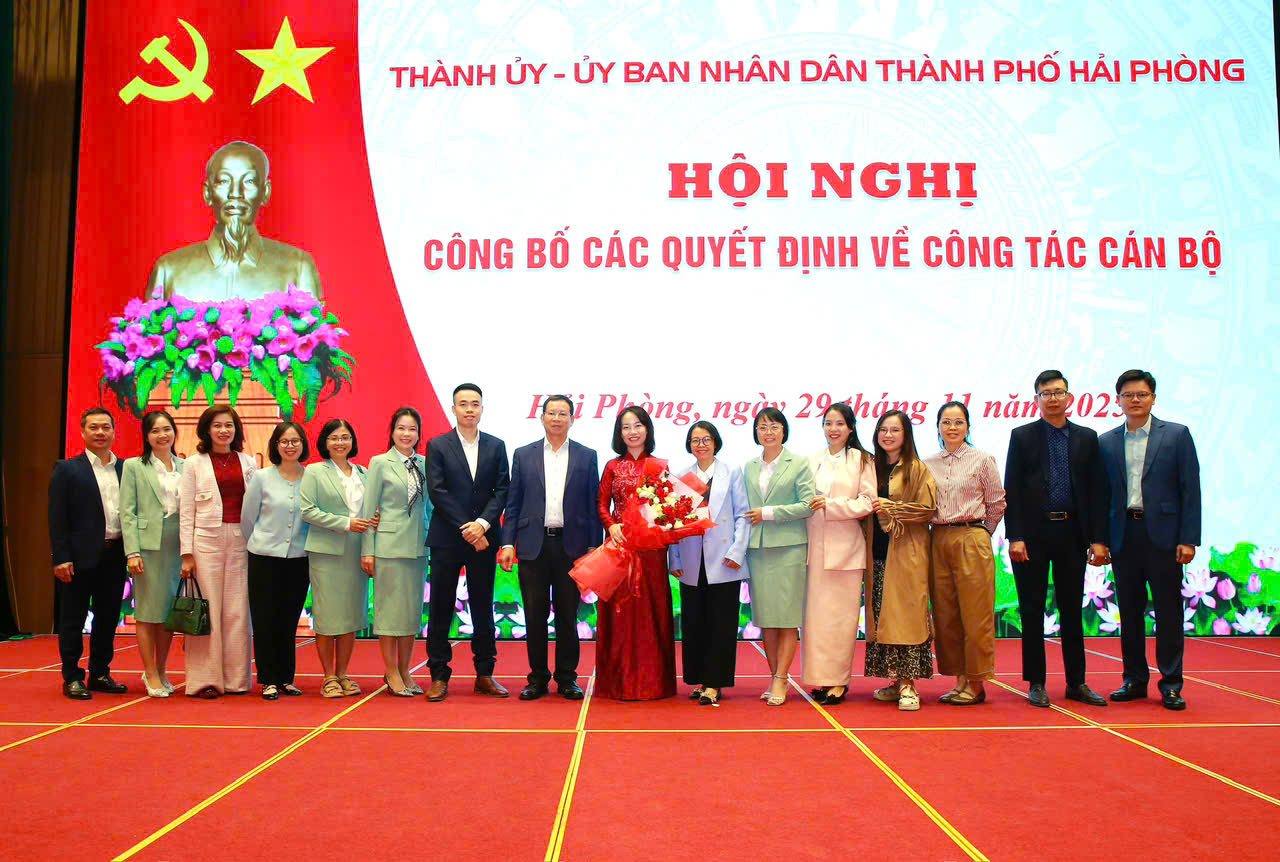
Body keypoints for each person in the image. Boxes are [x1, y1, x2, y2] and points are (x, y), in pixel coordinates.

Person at [1004, 370, 1110, 709]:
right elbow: (1012, 490)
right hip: (1033, 536)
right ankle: (1036, 682)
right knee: (1032, 609)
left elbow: (1097, 491)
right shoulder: (1022, 436)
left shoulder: (1086, 437)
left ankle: (1076, 682)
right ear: (1036, 399)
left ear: (1069, 397)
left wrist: (1098, 539)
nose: (1053, 398)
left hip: (1072, 533)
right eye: (1046, 393)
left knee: (1071, 609)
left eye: (1058, 392)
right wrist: (1015, 536)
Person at [1099, 370, 1201, 711]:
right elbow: (1101, 495)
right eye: (1128, 395)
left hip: (1165, 537)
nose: (1135, 400)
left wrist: (1189, 538)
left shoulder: (1176, 435)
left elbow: (1190, 489)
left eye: (1142, 394)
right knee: (1129, 612)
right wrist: (1099, 539)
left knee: (1168, 612)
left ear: (1153, 398)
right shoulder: (1106, 441)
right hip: (1124, 535)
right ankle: (1134, 679)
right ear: (1118, 400)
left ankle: (1171, 684)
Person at [499, 395, 601, 701]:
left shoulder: (587, 455)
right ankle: (538, 678)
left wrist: (594, 547)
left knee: (568, 616)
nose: (557, 418)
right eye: (552, 413)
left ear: (572, 419)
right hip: (533, 546)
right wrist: (507, 542)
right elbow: (513, 504)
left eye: (563, 413)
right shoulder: (523, 454)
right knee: (534, 615)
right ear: (542, 417)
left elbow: (593, 504)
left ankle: (567, 678)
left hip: (573, 548)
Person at [146, 140, 322, 302]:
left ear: (265, 192)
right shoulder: (169, 271)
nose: (235, 193)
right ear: (207, 193)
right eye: (224, 181)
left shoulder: (298, 268)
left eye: (249, 181)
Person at [425, 384, 510, 702]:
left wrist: (482, 525)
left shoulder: (496, 445)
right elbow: (438, 491)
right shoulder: (438, 445)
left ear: (482, 409)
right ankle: (438, 675)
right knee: (441, 608)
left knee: (483, 607)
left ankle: (485, 674)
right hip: (448, 538)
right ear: (454, 409)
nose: (469, 409)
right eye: (463, 404)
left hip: (484, 540)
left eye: (475, 404)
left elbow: (502, 490)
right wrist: (468, 528)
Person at [923, 401, 1007, 706]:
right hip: (938, 538)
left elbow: (997, 503)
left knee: (976, 614)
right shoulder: (927, 463)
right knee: (946, 616)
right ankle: (959, 680)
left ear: (968, 427)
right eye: (946, 422)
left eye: (958, 422)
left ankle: (977, 682)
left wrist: (982, 534)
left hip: (972, 536)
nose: (952, 427)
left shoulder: (982, 460)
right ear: (938, 427)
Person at [596, 406, 678, 700]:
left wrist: (654, 528)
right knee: (620, 614)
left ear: (647, 429)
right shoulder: (612, 466)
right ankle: (618, 682)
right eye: (626, 427)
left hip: (651, 552)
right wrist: (611, 525)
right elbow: (601, 503)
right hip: (619, 548)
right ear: (619, 433)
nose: (632, 432)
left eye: (638, 425)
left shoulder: (659, 465)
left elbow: (669, 509)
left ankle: (653, 683)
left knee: (650, 613)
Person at [48, 407, 129, 699]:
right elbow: (57, 517)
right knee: (73, 617)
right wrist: (61, 557)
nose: (100, 433)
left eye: (105, 427)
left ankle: (100, 673)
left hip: (115, 554)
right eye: (93, 427)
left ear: (114, 432)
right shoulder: (68, 469)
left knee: (108, 617)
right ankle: (72, 676)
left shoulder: (126, 469)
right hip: (78, 557)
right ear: (82, 432)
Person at [668, 420, 750, 706]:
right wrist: (674, 557)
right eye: (695, 440)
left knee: (721, 623)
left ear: (715, 442)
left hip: (724, 558)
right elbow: (673, 522)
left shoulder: (731, 472)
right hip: (691, 558)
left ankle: (715, 682)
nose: (700, 445)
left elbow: (742, 514)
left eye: (706, 440)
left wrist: (737, 552)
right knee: (695, 622)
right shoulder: (681, 476)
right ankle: (700, 678)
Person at [179, 406, 258, 698]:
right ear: (206, 430)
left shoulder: (248, 462)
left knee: (238, 610)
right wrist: (187, 554)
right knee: (207, 610)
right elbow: (186, 510)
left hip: (241, 540)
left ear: (236, 430)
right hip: (205, 542)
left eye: (229, 425)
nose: (224, 431)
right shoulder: (194, 464)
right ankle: (205, 681)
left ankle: (236, 680)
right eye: (217, 426)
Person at [802, 404, 876, 706]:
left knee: (841, 621)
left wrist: (831, 505)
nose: (833, 429)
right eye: (828, 423)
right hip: (814, 547)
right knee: (817, 620)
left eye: (840, 424)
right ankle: (822, 679)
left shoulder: (862, 460)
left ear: (851, 428)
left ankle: (839, 682)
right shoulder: (812, 460)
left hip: (846, 550)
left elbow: (869, 502)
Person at [864, 410, 936, 711]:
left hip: (907, 554)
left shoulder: (918, 469)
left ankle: (909, 684)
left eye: (895, 430)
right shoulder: (871, 468)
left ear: (906, 435)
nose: (888, 435)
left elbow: (927, 509)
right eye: (883, 429)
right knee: (884, 618)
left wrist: (891, 508)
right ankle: (896, 681)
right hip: (877, 554)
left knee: (907, 617)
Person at [300, 419, 377, 697]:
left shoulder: (364, 472)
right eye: (334, 437)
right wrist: (346, 523)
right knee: (327, 616)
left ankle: (343, 674)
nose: (340, 442)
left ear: (352, 441)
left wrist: (373, 522)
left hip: (357, 551)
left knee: (350, 615)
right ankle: (328, 677)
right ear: (325, 442)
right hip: (326, 553)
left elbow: (370, 510)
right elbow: (307, 511)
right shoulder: (314, 471)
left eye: (345, 437)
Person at [744, 407, 815, 706]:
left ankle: (781, 678)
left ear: (784, 430)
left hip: (789, 548)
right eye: (762, 427)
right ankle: (775, 675)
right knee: (766, 618)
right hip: (758, 550)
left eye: (774, 426)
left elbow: (808, 504)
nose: (768, 432)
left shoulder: (799, 463)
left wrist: (769, 513)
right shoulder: (749, 466)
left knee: (786, 618)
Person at [361, 407, 428, 697]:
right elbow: (368, 510)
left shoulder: (425, 463)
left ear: (419, 434)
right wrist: (368, 550)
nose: (406, 434)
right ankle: (390, 671)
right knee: (389, 612)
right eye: (401, 428)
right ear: (392, 431)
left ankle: (405, 670)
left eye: (412, 429)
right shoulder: (379, 463)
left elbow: (430, 506)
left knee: (411, 613)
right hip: (388, 547)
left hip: (418, 547)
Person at [241, 422, 311, 699]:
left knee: (289, 619)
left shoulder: (311, 477)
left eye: (295, 441)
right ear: (275, 446)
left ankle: (286, 678)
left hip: (299, 558)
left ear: (303, 444)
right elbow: (248, 519)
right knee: (264, 619)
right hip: (264, 557)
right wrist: (260, 542)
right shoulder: (262, 478)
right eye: (284, 441)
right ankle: (268, 679)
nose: (290, 446)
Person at [120, 410, 185, 698]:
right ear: (146, 436)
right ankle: (149, 671)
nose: (162, 435)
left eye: (167, 429)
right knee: (147, 612)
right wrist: (132, 552)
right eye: (155, 430)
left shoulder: (186, 466)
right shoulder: (134, 466)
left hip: (177, 546)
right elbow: (127, 512)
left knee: (167, 613)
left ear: (174, 432)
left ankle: (161, 668)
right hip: (147, 547)